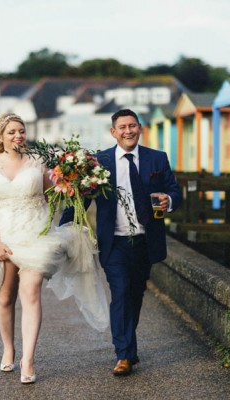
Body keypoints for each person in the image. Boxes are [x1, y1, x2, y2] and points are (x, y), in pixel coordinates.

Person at [0, 112, 109, 385]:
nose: (18, 136)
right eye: (12, 132)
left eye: (21, 131)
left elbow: (56, 193)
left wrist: (76, 181)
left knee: (31, 291)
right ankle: (8, 349)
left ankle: (28, 359)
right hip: (4, 237)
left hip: (37, 236)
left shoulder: (39, 161)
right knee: (5, 297)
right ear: (0, 137)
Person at [60, 109, 183, 376]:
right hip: (113, 242)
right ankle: (123, 355)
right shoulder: (99, 161)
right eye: (122, 127)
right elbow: (81, 198)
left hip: (145, 240)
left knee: (135, 295)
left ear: (140, 128)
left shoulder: (157, 159)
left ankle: (129, 346)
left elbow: (175, 191)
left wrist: (168, 199)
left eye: (132, 126)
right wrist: (62, 231)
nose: (128, 131)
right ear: (113, 132)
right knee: (121, 292)